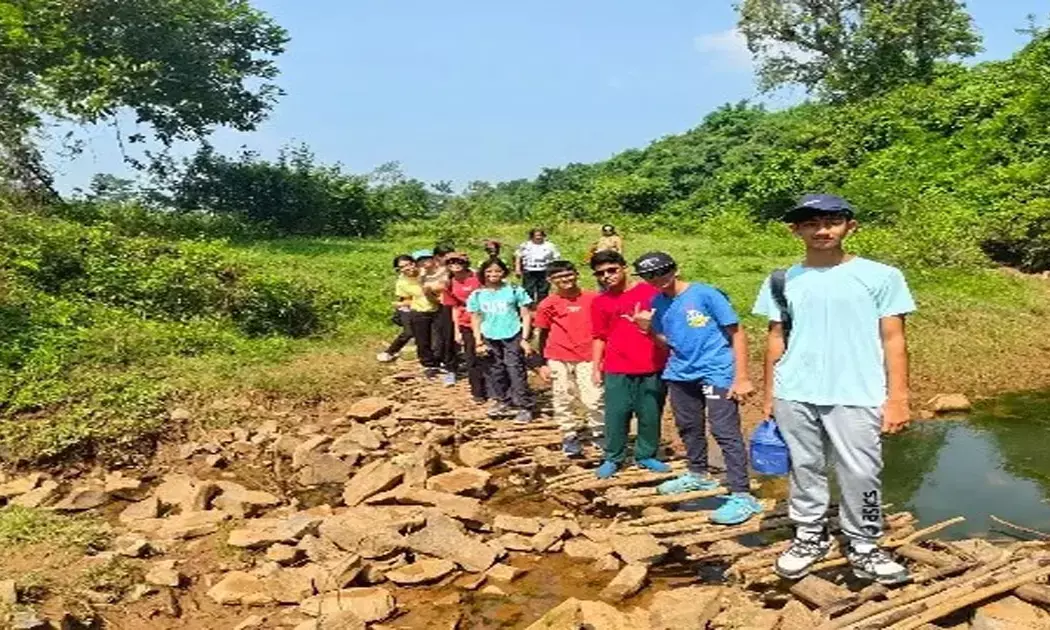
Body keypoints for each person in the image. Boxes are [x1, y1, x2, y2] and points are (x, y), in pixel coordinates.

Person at [752, 193, 916, 586]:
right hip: (796, 390)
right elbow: (776, 338)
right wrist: (770, 393)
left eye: (831, 221)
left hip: (857, 392)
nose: (821, 230)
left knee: (861, 471)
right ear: (796, 230)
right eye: (810, 223)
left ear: (850, 226)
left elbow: (894, 340)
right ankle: (809, 535)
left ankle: (865, 544)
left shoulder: (882, 276)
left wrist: (898, 398)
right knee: (805, 467)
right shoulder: (782, 280)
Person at [631, 251, 762, 526]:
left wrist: (741, 377)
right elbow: (666, 343)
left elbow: (737, 333)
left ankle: (742, 493)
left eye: (662, 272)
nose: (657, 279)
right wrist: (646, 330)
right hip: (680, 372)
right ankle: (698, 474)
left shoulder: (705, 294)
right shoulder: (657, 303)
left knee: (724, 431)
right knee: (688, 426)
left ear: (675, 269)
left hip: (717, 370)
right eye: (649, 276)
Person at [590, 250, 670, 479]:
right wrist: (596, 367)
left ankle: (646, 454)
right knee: (616, 414)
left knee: (650, 413)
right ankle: (613, 457)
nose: (607, 276)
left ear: (623, 267)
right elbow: (599, 336)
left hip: (652, 363)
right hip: (616, 366)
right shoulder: (600, 302)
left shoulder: (651, 292)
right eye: (601, 273)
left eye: (612, 270)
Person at [533, 260, 603, 457]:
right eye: (559, 277)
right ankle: (569, 435)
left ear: (577, 274)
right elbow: (543, 333)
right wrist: (541, 362)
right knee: (563, 395)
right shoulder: (548, 304)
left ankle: (599, 433)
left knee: (594, 398)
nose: (565, 279)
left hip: (589, 355)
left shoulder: (593, 298)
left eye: (569, 274)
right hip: (558, 355)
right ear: (550, 280)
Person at [467, 258, 534, 423]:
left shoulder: (514, 290)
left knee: (515, 369)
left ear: (504, 272)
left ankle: (524, 406)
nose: (493, 274)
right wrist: (478, 341)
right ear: (482, 274)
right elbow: (475, 318)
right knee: (494, 370)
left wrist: (525, 338)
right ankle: (502, 400)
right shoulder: (477, 294)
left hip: (512, 334)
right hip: (489, 336)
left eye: (497, 271)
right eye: (488, 271)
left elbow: (526, 315)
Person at [446, 252, 489, 403]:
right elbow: (454, 307)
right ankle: (477, 391)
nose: (455, 265)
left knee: (491, 355)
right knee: (471, 357)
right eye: (451, 262)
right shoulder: (450, 282)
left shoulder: (477, 278)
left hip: (487, 319)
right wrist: (456, 330)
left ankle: (496, 388)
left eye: (458, 261)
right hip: (466, 322)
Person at [402, 249, 442, 376]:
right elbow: (405, 298)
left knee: (439, 338)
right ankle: (429, 365)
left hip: (438, 309)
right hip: (419, 311)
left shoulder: (437, 273)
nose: (424, 262)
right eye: (420, 261)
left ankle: (441, 360)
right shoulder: (406, 279)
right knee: (422, 340)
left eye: (427, 259)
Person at [377, 254, 417, 363]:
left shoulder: (424, 275)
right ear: (399, 269)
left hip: (425, 306)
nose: (408, 268)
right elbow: (405, 300)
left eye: (410, 264)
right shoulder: (402, 282)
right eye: (403, 267)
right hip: (408, 307)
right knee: (409, 332)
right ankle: (390, 352)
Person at [430, 243, 457, 385]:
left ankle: (451, 367)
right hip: (439, 307)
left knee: (451, 338)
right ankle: (445, 367)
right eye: (445, 257)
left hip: (456, 307)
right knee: (442, 338)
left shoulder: (457, 268)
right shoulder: (432, 271)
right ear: (437, 258)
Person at [514, 228, 560, 306]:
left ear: (543, 236)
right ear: (532, 236)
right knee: (528, 290)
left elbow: (556, 258)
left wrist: (555, 270)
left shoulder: (550, 245)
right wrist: (517, 269)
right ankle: (529, 307)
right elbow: (518, 257)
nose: (538, 237)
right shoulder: (525, 245)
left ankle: (542, 307)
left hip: (544, 271)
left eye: (540, 235)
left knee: (543, 290)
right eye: (536, 235)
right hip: (529, 270)